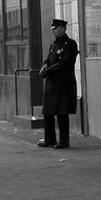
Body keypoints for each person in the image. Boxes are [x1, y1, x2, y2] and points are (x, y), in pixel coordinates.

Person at [38, 18, 79, 149]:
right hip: (52, 84)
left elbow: (65, 63)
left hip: (63, 84)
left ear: (62, 28)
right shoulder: (53, 44)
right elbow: (48, 59)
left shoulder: (70, 44)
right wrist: (44, 66)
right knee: (48, 112)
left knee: (62, 113)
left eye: (55, 29)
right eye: (52, 30)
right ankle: (50, 139)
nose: (53, 32)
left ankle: (63, 141)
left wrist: (48, 70)